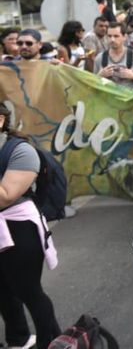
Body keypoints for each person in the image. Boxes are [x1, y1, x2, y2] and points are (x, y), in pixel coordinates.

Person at [0, 102, 61, 349]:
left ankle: (52, 341)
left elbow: (6, 194)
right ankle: (19, 339)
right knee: (3, 291)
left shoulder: (21, 151)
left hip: (18, 227)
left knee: (29, 291)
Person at [94, 23, 133, 90]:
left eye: (116, 36)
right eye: (109, 36)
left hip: (130, 98)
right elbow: (92, 84)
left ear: (125, 37)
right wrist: (100, 75)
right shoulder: (100, 58)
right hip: (108, 98)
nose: (112, 40)